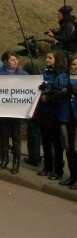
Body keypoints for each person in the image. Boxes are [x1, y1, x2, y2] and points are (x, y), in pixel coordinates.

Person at [0, 50, 29, 174]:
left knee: (16, 137)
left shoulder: (23, 74)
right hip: (2, 110)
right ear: (5, 61)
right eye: (13, 60)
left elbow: (30, 88)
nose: (16, 62)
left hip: (16, 111)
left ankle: (16, 163)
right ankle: (5, 159)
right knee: (3, 135)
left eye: (16, 59)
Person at [36, 51, 68, 181]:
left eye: (50, 58)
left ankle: (58, 169)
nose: (47, 60)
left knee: (57, 142)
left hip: (55, 112)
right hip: (43, 111)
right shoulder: (44, 73)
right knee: (46, 141)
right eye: (47, 57)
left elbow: (60, 93)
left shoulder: (61, 75)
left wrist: (49, 95)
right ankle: (48, 166)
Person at [22, 40, 51, 166]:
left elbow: (22, 78)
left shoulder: (31, 63)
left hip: (33, 99)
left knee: (33, 128)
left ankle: (34, 156)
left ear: (37, 50)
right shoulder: (53, 63)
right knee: (48, 131)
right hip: (49, 100)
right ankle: (51, 159)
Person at [61, 57, 77, 189]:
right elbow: (54, 92)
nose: (75, 67)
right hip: (65, 117)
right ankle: (72, 176)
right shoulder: (63, 77)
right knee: (68, 148)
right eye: (73, 64)